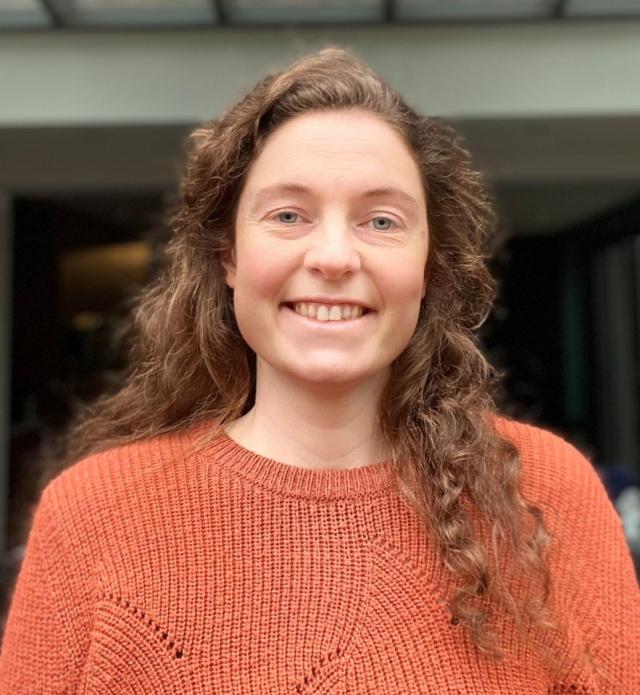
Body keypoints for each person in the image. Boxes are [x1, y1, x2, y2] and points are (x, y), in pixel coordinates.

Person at [0, 46, 638, 694]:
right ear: (228, 256)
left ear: (428, 266)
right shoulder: (90, 516)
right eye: (288, 215)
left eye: (381, 221)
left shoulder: (547, 495)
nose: (333, 256)